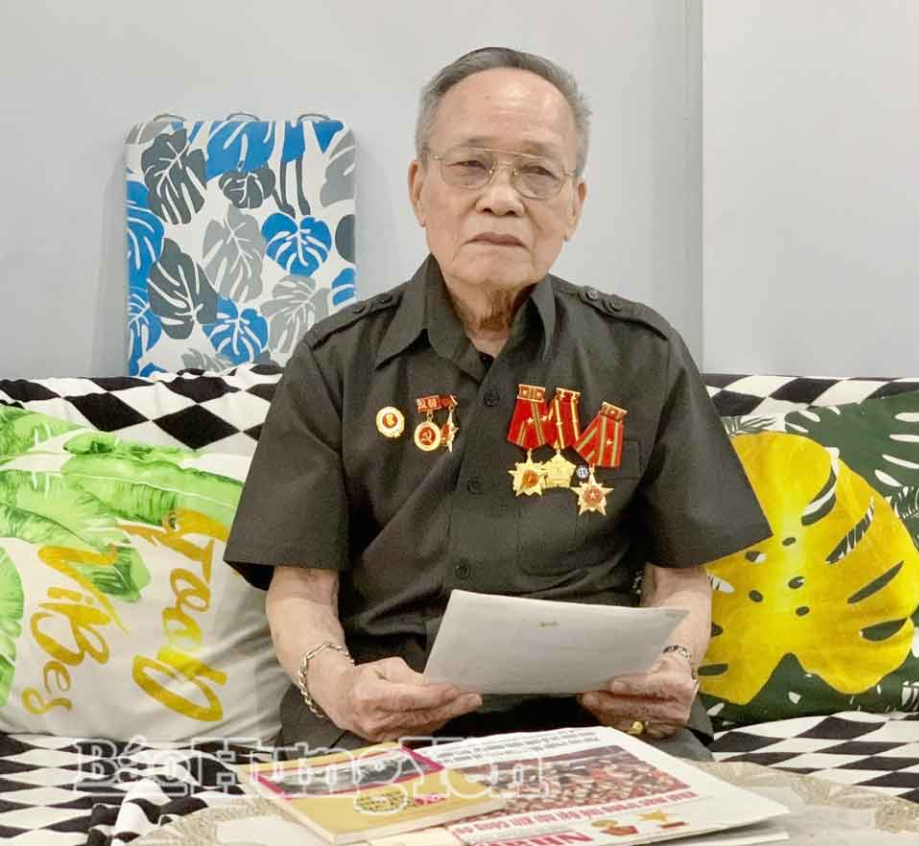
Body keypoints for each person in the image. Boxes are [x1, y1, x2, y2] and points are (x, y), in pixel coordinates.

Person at [224, 47, 769, 761]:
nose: (502, 198)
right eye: (471, 165)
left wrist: (673, 666)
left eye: (538, 172)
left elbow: (682, 578)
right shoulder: (337, 360)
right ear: (419, 189)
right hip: (389, 713)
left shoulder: (643, 354)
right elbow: (299, 585)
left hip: (598, 715)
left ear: (574, 207)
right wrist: (339, 687)